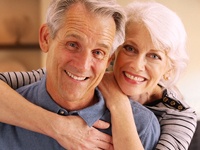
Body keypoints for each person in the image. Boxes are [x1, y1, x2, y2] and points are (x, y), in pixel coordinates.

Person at [0, 1, 197, 150]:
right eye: (72, 44)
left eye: (154, 56)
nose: (137, 65)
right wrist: (59, 127)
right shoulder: (47, 81)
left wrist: (119, 104)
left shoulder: (176, 117)